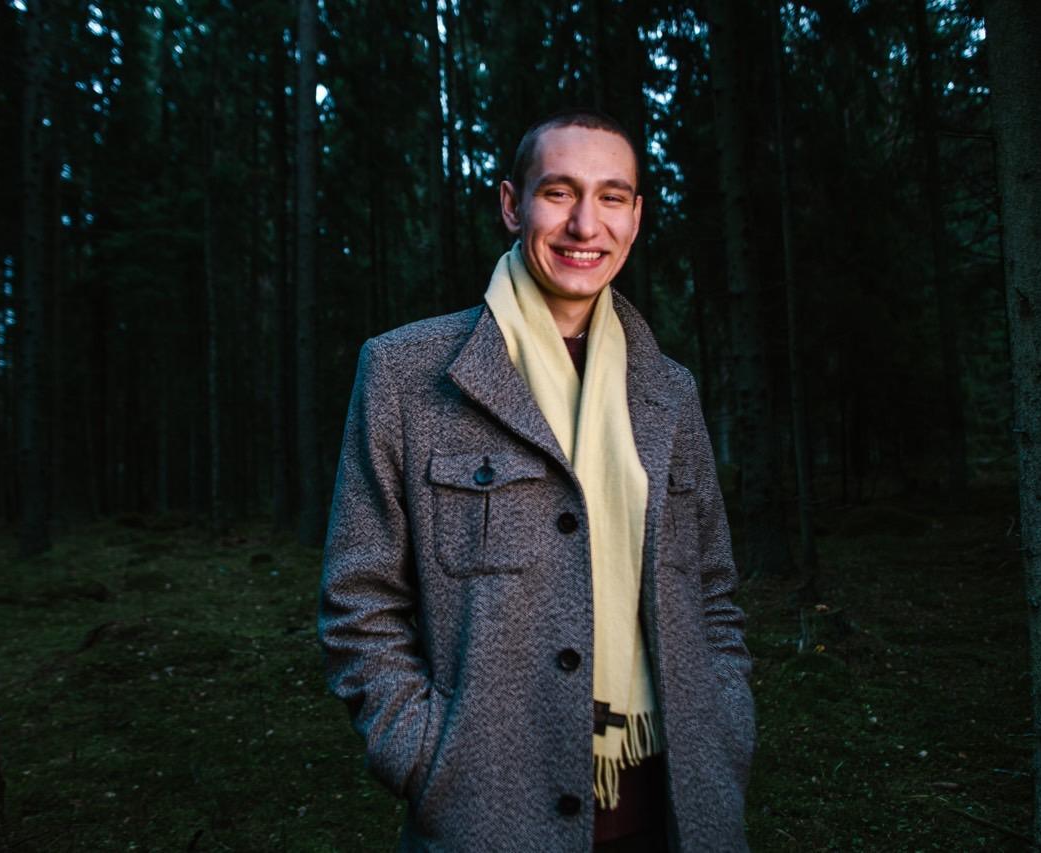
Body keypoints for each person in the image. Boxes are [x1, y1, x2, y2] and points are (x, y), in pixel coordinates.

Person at [319, 109, 755, 852]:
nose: (586, 224)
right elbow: (360, 603)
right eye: (559, 192)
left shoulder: (670, 391)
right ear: (511, 204)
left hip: (681, 812)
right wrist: (427, 760)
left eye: (612, 197)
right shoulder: (406, 375)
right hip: (489, 817)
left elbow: (712, 591)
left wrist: (727, 728)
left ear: (636, 216)